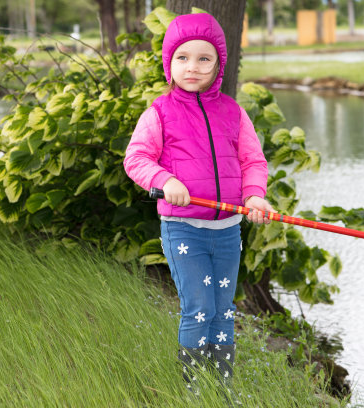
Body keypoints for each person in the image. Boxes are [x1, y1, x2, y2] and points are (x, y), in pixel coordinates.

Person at [123, 12, 273, 394]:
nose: (192, 67)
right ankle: (192, 391)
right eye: (183, 57)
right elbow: (136, 159)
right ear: (168, 63)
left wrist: (255, 196)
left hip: (227, 231)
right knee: (199, 308)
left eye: (204, 58)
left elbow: (253, 161)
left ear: (219, 64)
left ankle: (221, 391)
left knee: (224, 311)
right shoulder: (159, 112)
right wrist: (165, 179)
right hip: (184, 229)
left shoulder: (233, 112)